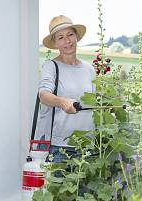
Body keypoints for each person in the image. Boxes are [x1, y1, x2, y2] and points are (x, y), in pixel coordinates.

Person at [36, 15, 96, 163]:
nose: (67, 41)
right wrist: (62, 102)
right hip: (60, 147)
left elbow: (95, 102)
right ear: (55, 43)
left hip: (88, 146)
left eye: (70, 35)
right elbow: (43, 95)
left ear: (76, 37)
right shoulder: (51, 66)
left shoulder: (89, 69)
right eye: (61, 37)